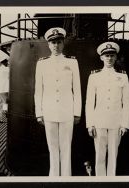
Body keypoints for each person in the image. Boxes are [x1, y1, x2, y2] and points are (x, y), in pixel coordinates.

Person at [34, 27, 82, 176]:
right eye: (53, 42)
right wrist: (39, 113)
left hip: (67, 111)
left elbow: (77, 90)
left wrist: (76, 112)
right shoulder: (41, 64)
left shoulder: (72, 62)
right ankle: (54, 177)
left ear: (63, 44)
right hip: (49, 112)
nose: (56, 45)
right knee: (52, 147)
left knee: (66, 147)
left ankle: (66, 178)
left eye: (59, 42)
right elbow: (38, 91)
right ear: (48, 45)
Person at [85, 42, 129, 176]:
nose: (109, 58)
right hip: (99, 122)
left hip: (116, 123)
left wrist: (125, 124)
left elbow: (127, 102)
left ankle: (111, 180)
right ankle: (100, 181)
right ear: (101, 58)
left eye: (112, 55)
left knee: (113, 156)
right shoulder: (94, 76)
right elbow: (89, 102)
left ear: (116, 57)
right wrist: (90, 124)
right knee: (99, 155)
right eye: (106, 56)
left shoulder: (123, 76)